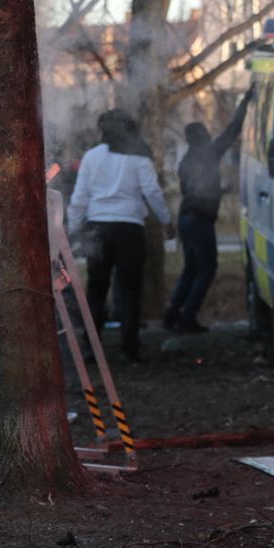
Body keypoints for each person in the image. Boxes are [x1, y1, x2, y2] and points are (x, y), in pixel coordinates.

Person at [67, 109, 171, 362]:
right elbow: (152, 192)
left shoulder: (91, 157)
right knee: (130, 289)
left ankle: (91, 346)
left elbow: (80, 196)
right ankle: (129, 347)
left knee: (96, 288)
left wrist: (72, 227)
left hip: (98, 228)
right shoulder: (139, 158)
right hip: (129, 228)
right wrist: (167, 220)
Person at [164, 88, 253, 333]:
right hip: (200, 220)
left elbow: (195, 192)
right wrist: (244, 101)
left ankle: (172, 315)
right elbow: (232, 131)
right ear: (203, 137)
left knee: (191, 268)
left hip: (185, 217)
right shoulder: (209, 153)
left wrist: (221, 190)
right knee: (207, 268)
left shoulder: (186, 162)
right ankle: (187, 318)